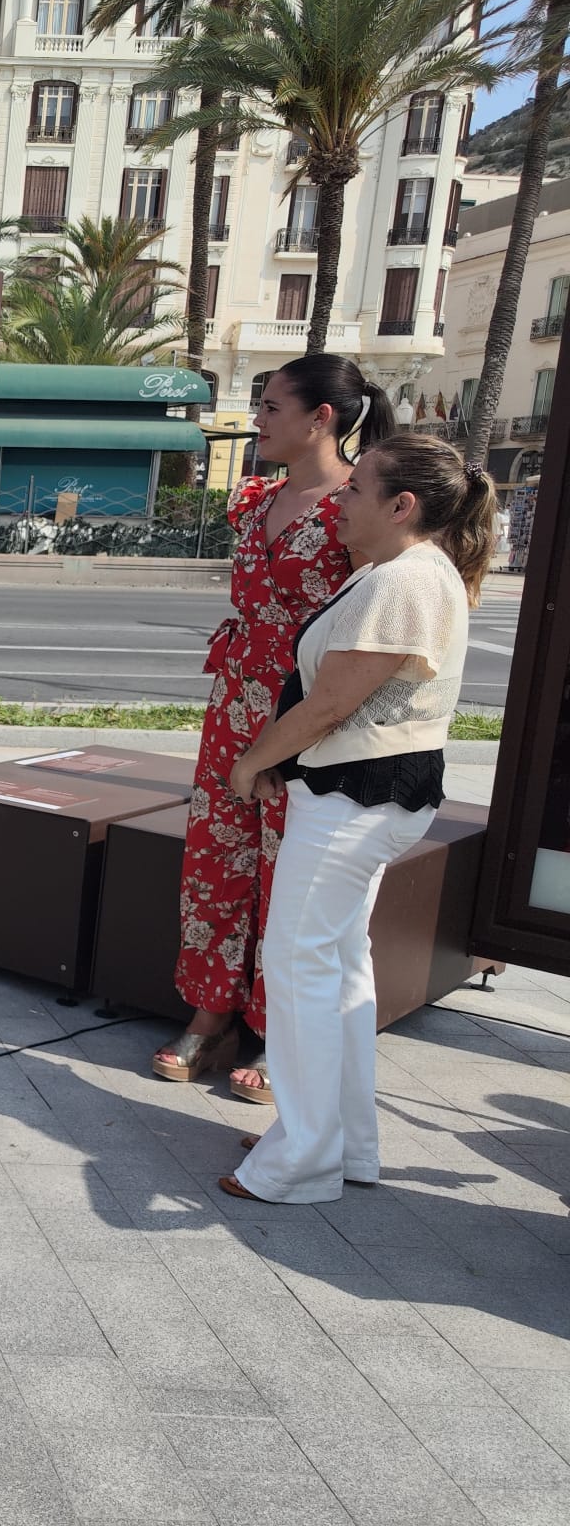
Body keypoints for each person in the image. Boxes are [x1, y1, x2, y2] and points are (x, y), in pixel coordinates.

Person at [222, 435, 489, 1202]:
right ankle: (340, 1142)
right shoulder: (408, 573)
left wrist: (252, 761)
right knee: (336, 969)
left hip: (355, 799)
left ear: (401, 506)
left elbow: (333, 702)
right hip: (366, 795)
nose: (339, 501)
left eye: (357, 489)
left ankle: (301, 1160)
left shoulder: (403, 580)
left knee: (301, 967)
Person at [154, 354, 392, 1103]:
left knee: (289, 872)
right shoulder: (254, 500)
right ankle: (210, 1010)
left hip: (308, 710)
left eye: (271, 407)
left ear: (322, 418)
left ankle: (270, 1029)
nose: (257, 419)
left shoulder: (355, 508)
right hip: (233, 701)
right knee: (216, 857)